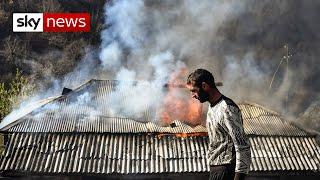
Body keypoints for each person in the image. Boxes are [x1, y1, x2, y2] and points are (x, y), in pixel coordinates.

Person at [186, 69, 251, 180]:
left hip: (227, 170)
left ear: (204, 86)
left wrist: (238, 178)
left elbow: (243, 146)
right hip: (216, 171)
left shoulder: (227, 108)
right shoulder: (212, 108)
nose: (192, 95)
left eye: (194, 90)